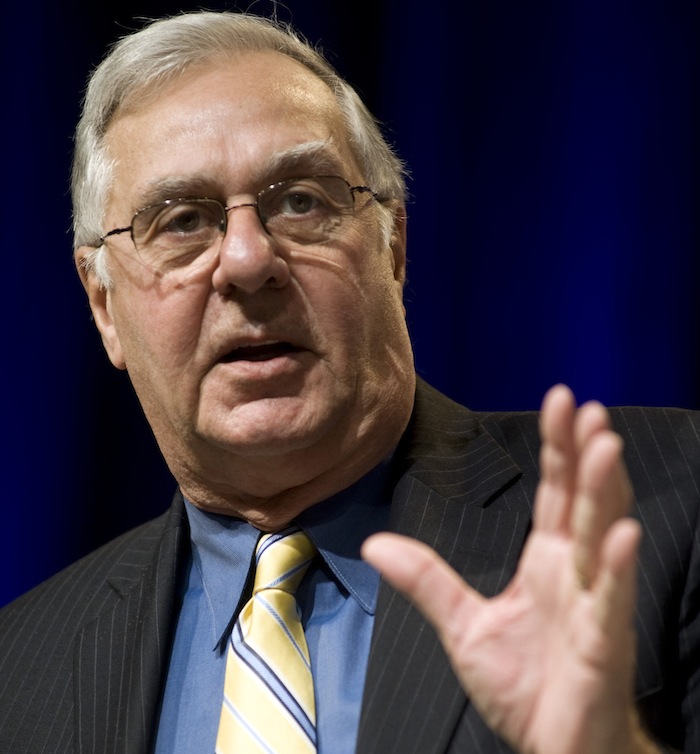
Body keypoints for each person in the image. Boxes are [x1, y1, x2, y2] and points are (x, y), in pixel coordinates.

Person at [0, 10, 697, 754]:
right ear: (104, 306)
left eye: (301, 200)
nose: (245, 260)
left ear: (393, 249)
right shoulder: (22, 668)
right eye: (180, 221)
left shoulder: (670, 499)